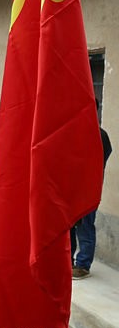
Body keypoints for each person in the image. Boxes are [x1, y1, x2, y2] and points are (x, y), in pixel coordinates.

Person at [71, 99, 113, 279]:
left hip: (88, 190)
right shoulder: (74, 132)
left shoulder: (99, 134)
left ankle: (83, 265)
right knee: (70, 226)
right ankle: (68, 260)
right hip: (72, 188)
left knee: (85, 225)